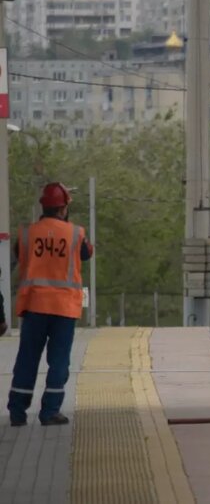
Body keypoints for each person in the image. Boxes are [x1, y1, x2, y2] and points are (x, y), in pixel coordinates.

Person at [7, 183, 93, 427]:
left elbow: (15, 257)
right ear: (64, 208)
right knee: (58, 361)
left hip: (34, 306)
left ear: (43, 207)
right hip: (63, 308)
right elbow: (87, 254)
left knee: (27, 358)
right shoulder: (76, 234)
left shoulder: (27, 234)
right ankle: (50, 412)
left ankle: (17, 412)